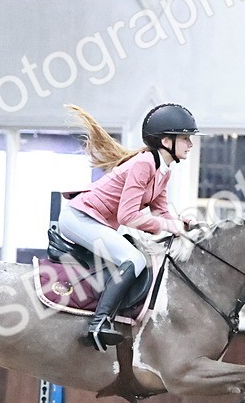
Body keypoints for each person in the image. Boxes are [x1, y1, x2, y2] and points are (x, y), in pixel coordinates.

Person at [59, 103, 199, 349]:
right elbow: (128, 217)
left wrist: (181, 224)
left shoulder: (163, 170)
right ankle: (99, 324)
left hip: (95, 221)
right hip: (79, 219)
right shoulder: (143, 163)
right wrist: (168, 224)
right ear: (167, 141)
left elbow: (161, 210)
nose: (190, 144)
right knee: (134, 259)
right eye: (185, 138)